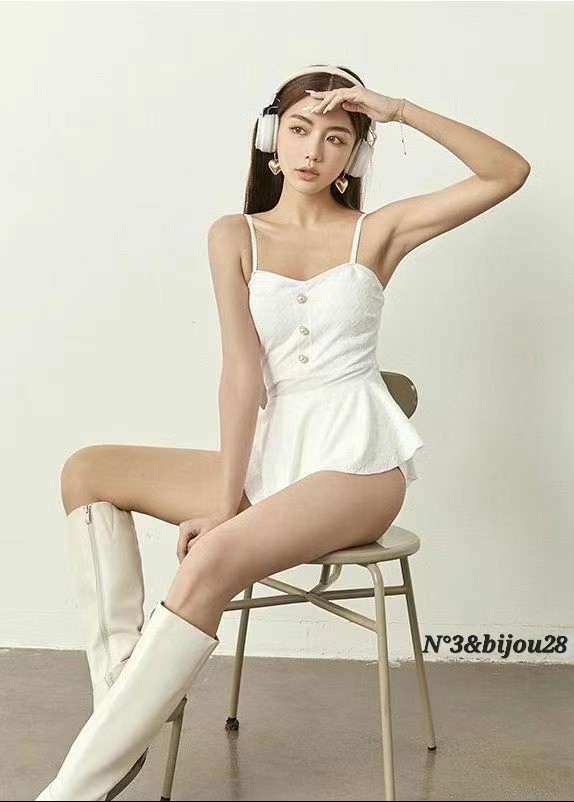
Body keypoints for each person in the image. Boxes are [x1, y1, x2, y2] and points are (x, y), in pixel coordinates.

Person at [35, 64, 530, 800]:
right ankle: (123, 707)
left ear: (353, 155)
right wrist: (226, 500)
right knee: (88, 470)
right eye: (299, 130)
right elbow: (241, 375)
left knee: (210, 559)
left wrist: (397, 109)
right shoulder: (234, 235)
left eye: (336, 139)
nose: (313, 150)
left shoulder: (376, 233)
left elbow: (507, 172)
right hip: (276, 458)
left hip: (357, 466)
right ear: (272, 138)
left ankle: (77, 786)